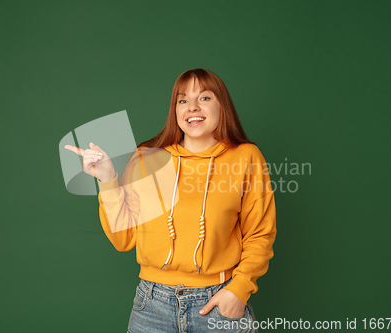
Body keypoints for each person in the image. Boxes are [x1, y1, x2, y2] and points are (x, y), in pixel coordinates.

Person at [65, 68, 276, 332]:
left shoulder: (245, 157)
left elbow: (260, 234)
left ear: (222, 105)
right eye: (183, 100)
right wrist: (107, 179)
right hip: (152, 307)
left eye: (205, 98)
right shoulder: (147, 158)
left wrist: (239, 290)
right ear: (175, 110)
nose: (193, 107)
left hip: (218, 305)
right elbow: (124, 239)